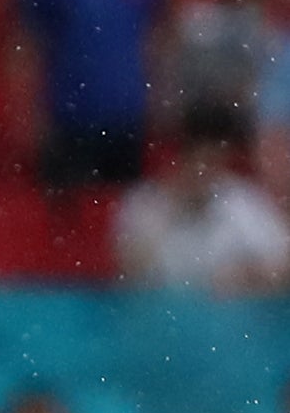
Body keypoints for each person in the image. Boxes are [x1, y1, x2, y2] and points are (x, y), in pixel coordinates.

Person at [17, 0, 168, 189]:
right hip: (68, 116)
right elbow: (28, 44)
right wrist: (30, 115)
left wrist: (159, 97)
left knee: (118, 216)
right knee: (66, 215)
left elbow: (160, 37)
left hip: (127, 116)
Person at [115, 123, 290, 296]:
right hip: (162, 312)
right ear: (179, 162)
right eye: (196, 164)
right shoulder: (145, 204)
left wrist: (249, 275)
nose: (202, 174)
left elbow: (283, 265)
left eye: (210, 164)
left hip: (224, 316)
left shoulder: (243, 203)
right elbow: (130, 274)